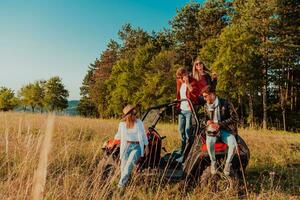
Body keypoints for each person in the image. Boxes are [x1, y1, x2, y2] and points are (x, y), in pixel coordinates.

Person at [201, 86, 239, 176]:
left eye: (206, 96)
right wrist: (206, 121)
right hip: (212, 131)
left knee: (233, 145)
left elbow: (235, 118)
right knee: (209, 142)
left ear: (212, 94)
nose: (204, 98)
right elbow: (203, 118)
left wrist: (219, 124)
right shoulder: (206, 105)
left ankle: (227, 164)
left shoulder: (226, 103)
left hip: (226, 130)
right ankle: (213, 161)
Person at [114, 104, 149, 188]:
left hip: (137, 147)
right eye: (133, 114)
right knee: (123, 168)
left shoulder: (139, 122)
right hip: (126, 147)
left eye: (135, 113)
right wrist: (112, 142)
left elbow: (144, 135)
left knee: (129, 166)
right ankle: (126, 184)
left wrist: (146, 146)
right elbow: (117, 136)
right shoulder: (122, 125)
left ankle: (120, 186)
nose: (135, 115)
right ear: (129, 115)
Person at [176, 67, 200, 162]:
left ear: (186, 75)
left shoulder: (193, 81)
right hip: (181, 109)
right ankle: (182, 151)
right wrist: (177, 101)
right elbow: (179, 94)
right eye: (179, 78)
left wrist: (187, 83)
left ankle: (186, 155)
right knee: (181, 130)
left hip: (190, 110)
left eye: (182, 77)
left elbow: (195, 94)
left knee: (187, 131)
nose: (180, 80)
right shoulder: (179, 82)